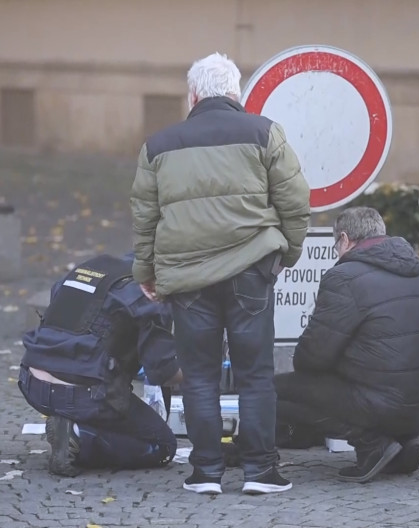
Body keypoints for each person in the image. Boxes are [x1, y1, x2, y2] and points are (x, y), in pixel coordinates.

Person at [130, 52, 311, 495]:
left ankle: (206, 471)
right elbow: (295, 200)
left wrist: (146, 271)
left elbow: (145, 217)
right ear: (236, 94)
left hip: (189, 279)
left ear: (192, 95)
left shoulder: (158, 146)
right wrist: (284, 254)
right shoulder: (264, 132)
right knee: (255, 374)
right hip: (252, 270)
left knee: (200, 376)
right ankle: (260, 471)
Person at [275, 207, 419, 484]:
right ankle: (406, 440)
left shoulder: (344, 277)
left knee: (275, 392)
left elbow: (310, 360)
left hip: (383, 405)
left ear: (344, 239)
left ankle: (373, 444)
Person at [19, 253, 181, 477]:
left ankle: (69, 426)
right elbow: (163, 372)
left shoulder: (92, 267)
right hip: (84, 393)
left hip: (32, 380)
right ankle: (78, 436)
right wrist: (204, 373)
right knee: (162, 446)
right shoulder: (150, 293)